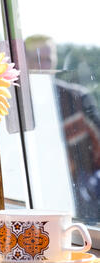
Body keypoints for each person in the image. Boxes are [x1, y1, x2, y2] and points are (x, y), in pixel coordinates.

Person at [25, 35, 100, 223]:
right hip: (31, 193)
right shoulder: (15, 105)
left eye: (48, 59)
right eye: (36, 59)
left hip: (78, 193)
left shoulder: (77, 99)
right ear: (24, 61)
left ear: (56, 60)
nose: (42, 65)